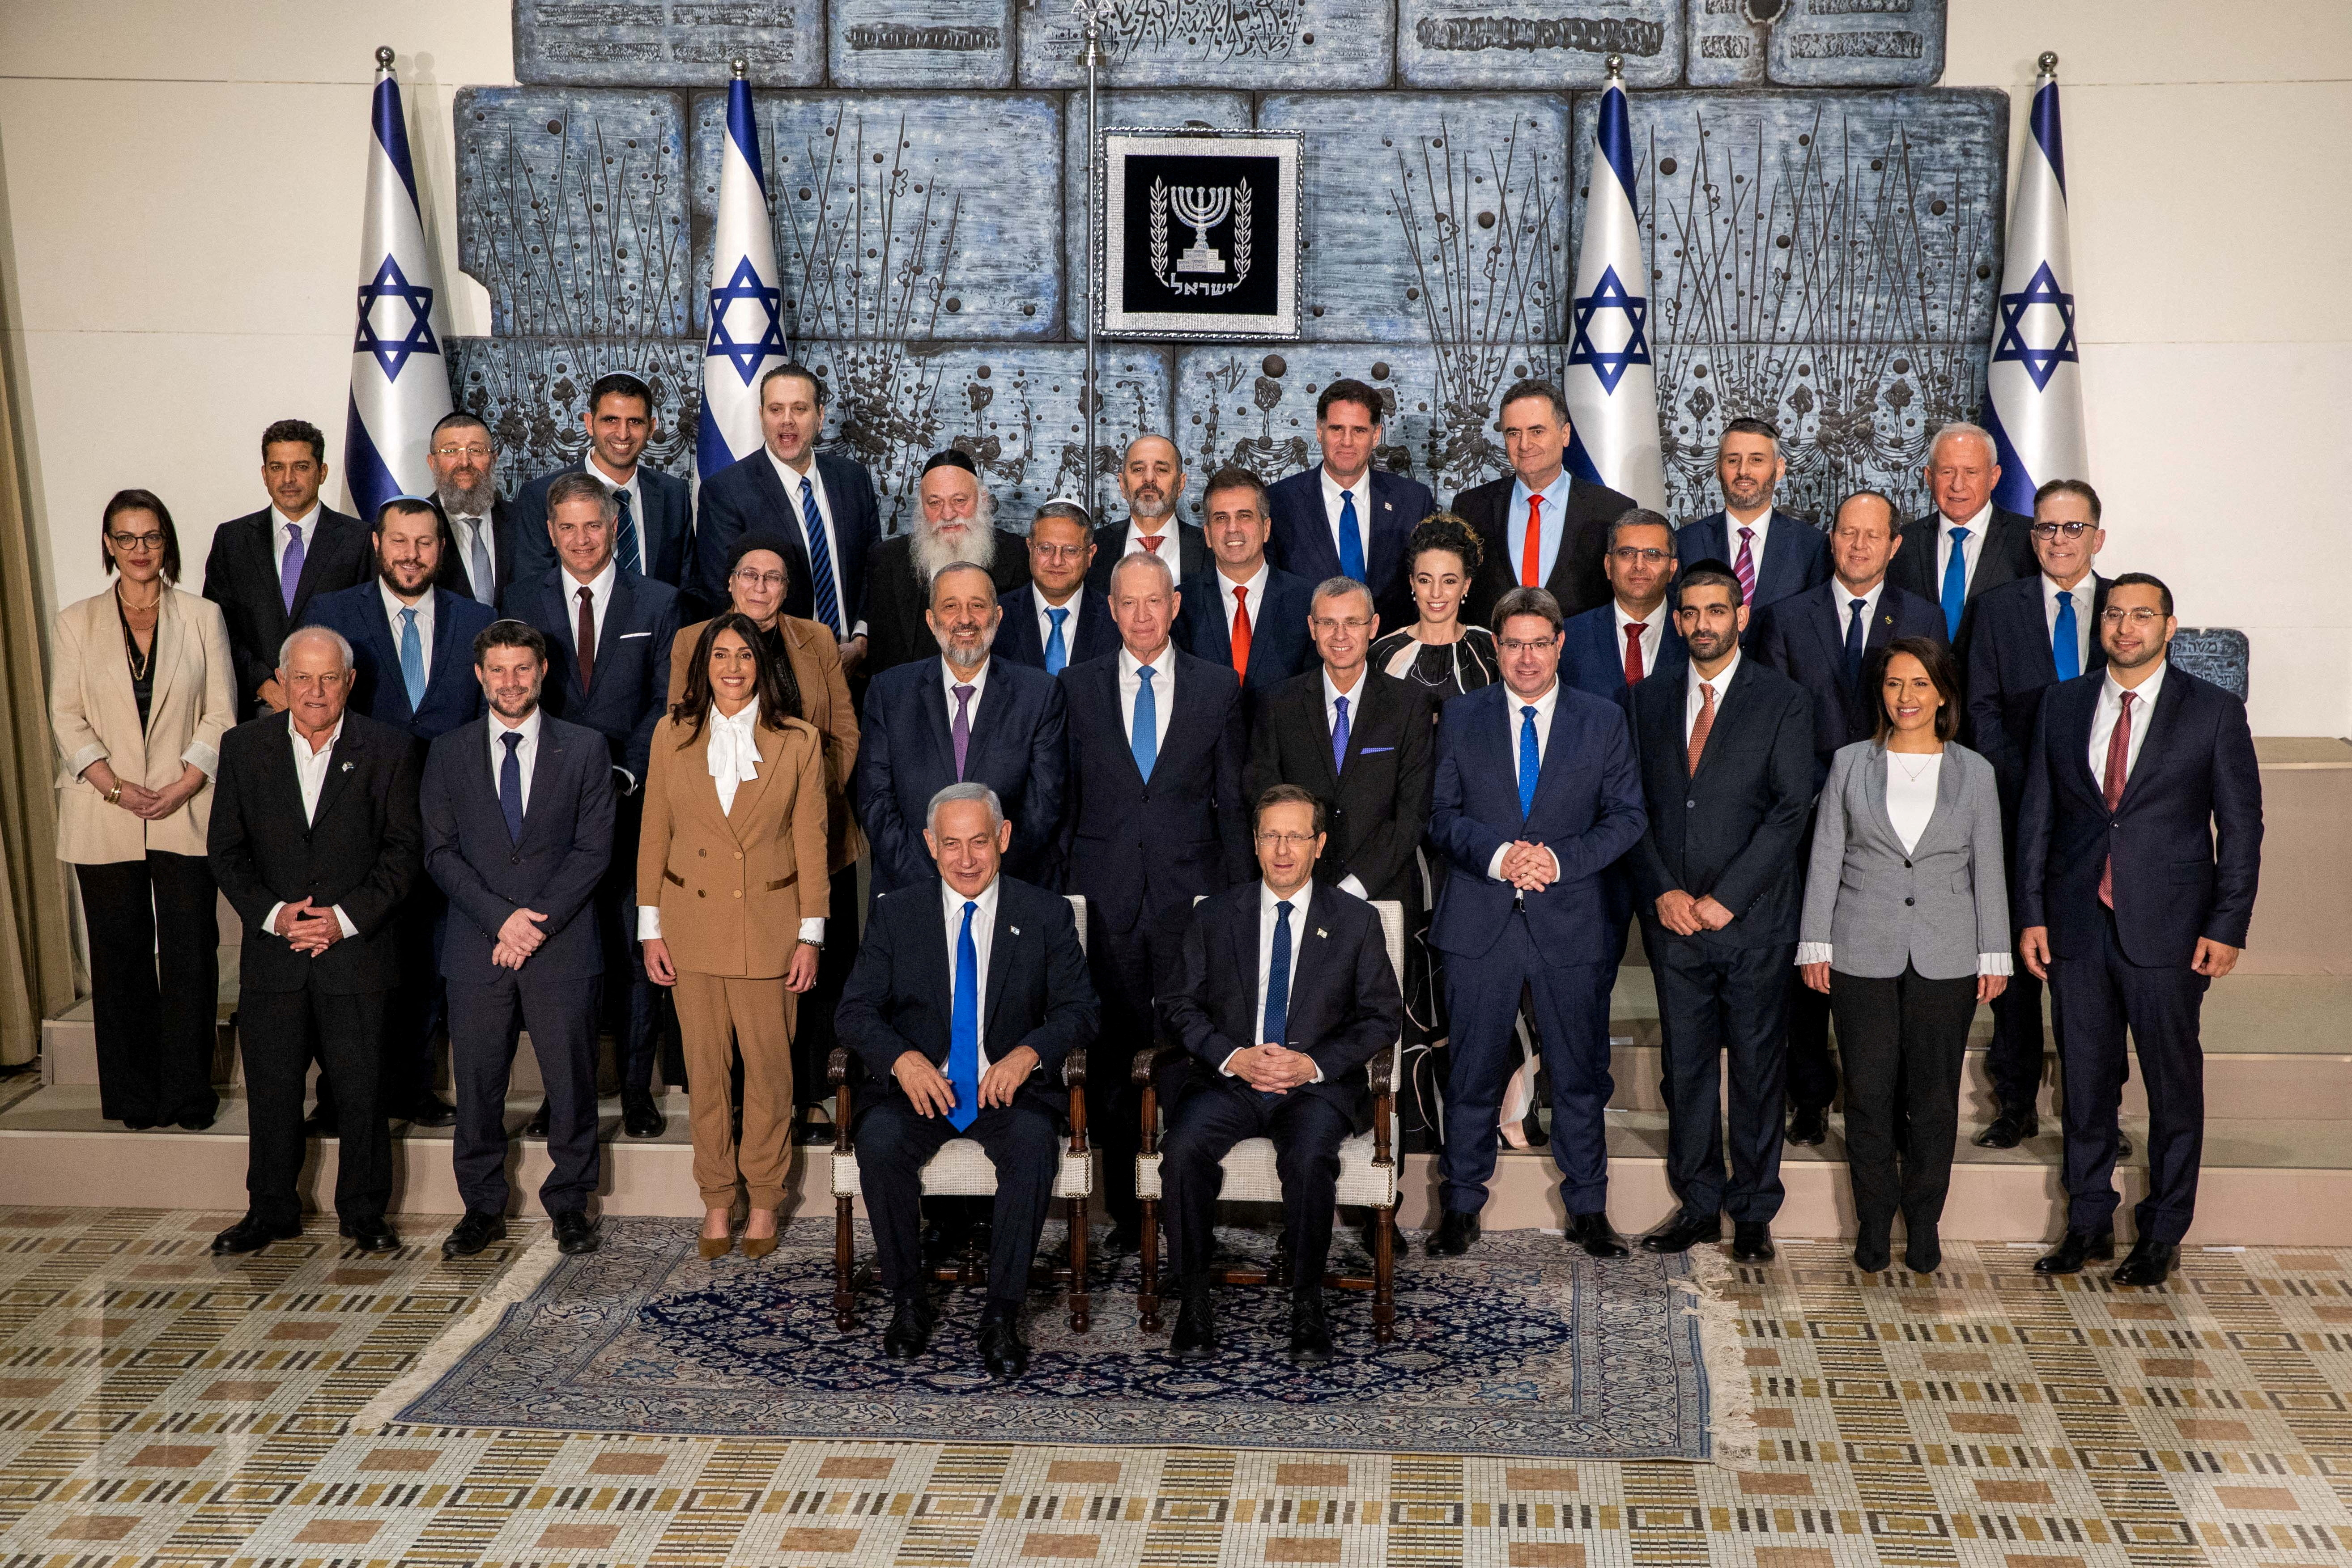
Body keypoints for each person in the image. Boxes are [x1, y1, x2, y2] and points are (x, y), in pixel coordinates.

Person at [2019, 574, 2262, 1289]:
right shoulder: (2062, 704)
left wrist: (2228, 923)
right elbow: (2037, 816)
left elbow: (2241, 828)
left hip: (2171, 929)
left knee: (2171, 1086)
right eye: (2115, 614)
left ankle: (2162, 1232)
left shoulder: (2212, 711)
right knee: (2085, 1084)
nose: (2126, 627)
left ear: (2168, 626)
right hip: (2075, 925)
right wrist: (2031, 913)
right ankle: (2088, 1222)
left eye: (2142, 615)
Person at [836, 783, 1098, 1380]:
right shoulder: (897, 912)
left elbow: (1081, 1010)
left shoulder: (1044, 912)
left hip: (1006, 1090)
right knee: (879, 1142)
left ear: (1003, 838)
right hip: (921, 1087)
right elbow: (854, 1011)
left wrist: (1028, 1054)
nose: (966, 859)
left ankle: (1002, 1312)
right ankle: (908, 1300)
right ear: (930, 844)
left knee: (1032, 1146)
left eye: (979, 841)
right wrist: (902, 1060)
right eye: (951, 844)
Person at [1425, 586, 1646, 1258]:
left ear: (1560, 646)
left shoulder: (1601, 719)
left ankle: (1589, 1209)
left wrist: (1555, 860)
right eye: (1514, 645)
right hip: (1480, 919)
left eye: (1539, 644)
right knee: (1471, 1073)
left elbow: (1627, 817)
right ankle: (1460, 1205)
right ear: (1496, 648)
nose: (1527, 658)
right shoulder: (1461, 716)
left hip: (1570, 919)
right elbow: (1440, 816)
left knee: (1578, 1075)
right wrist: (1499, 857)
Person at [1157, 784, 1404, 1363]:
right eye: (1271, 835)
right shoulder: (1216, 914)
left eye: (1296, 836)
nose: (1283, 849)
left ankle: (1307, 1303)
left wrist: (1313, 1064)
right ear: (1255, 842)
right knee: (1183, 1151)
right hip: (1230, 1081)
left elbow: (1382, 1016)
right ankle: (1193, 1300)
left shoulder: (1356, 920)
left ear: (1319, 843)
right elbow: (1177, 1004)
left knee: (1310, 1157)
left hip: (1312, 1087)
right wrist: (1231, 1056)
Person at [1059, 550, 1254, 1247]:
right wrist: (1062, 897)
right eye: (1128, 603)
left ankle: (1181, 1204)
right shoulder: (1075, 687)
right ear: (1111, 610)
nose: (1142, 615)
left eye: (1154, 601)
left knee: (1185, 1051)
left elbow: (1232, 804)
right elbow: (1064, 802)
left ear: (1174, 606)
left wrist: (1237, 903)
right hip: (1104, 895)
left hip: (1191, 899)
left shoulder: (1217, 686)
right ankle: (1123, 1210)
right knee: (1112, 1053)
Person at [205, 626, 419, 1256]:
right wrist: (275, 916)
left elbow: (404, 853)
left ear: (349, 682)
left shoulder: (390, 749)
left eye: (329, 678)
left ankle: (365, 1212)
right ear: (283, 681)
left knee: (362, 1093)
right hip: (275, 958)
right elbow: (226, 850)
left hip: (357, 956)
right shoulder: (243, 747)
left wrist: (343, 919)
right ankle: (270, 1209)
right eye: (303, 677)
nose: (316, 691)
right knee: (271, 1093)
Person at [1799, 639, 2011, 1274]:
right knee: (1866, 1093)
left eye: (1920, 683)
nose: (1906, 696)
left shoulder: (1975, 771)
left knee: (1934, 1099)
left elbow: (1988, 866)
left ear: (1943, 693)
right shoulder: (1849, 763)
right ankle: (1873, 1222)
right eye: (1894, 684)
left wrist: (1995, 952)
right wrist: (1814, 941)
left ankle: (1923, 1223)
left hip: (1948, 954)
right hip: (1860, 948)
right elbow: (1826, 856)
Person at [1626, 563, 1815, 1262]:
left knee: (1759, 1070)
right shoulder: (1644, 700)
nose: (1701, 623)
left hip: (1753, 921)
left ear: (1740, 615)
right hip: (1674, 923)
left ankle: (1754, 1211)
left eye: (1715, 610)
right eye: (1689, 612)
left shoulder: (1783, 700)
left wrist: (1726, 898)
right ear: (1676, 621)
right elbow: (1629, 806)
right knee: (1687, 1069)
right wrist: (1663, 891)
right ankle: (1699, 1204)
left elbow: (1790, 809)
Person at [1754, 491, 1946, 1143]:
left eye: (1872, 535)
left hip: (1896, 824)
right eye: (1847, 533)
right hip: (1806, 816)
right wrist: (1825, 792)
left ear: (1894, 545)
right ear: (1830, 539)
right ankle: (1809, 1095)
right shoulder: (1785, 617)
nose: (1858, 546)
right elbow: (1773, 725)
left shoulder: (1922, 615)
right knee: (1808, 962)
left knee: (1890, 965)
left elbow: (1929, 715)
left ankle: (1893, 1102)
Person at [639, 613, 831, 1259]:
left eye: (744, 655)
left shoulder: (798, 740)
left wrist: (810, 936)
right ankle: (718, 1199)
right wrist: (650, 929)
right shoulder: (671, 733)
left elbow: (811, 842)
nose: (732, 667)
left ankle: (767, 1197)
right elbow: (654, 833)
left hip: (769, 930)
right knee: (706, 1074)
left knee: (770, 1074)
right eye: (720, 655)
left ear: (761, 665)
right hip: (689, 928)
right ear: (703, 665)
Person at [420, 620, 613, 1259]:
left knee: (572, 1082)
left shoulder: (584, 748)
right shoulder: (447, 751)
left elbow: (593, 851)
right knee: (478, 1086)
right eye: (498, 670)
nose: (510, 681)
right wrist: (501, 920)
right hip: (478, 945)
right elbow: (439, 852)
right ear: (480, 676)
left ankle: (571, 1205)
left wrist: (534, 925)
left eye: (522, 668)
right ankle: (481, 1208)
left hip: (563, 945)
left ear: (543, 671)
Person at [302, 497, 496, 1129]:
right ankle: (341, 1093)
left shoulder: (477, 618)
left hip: (446, 821)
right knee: (354, 960)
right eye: (399, 542)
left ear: (441, 549)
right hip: (357, 816)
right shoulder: (334, 613)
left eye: (425, 543)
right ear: (377, 545)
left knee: (429, 960)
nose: (411, 555)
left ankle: (414, 1087)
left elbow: (483, 722)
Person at [50, 490, 235, 1131]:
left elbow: (221, 711)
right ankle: (134, 1096)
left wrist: (186, 783)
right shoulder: (75, 622)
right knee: (119, 956)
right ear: (108, 544)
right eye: (126, 538)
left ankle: (188, 1095)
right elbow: (65, 717)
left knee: (191, 952)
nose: (139, 549)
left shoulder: (204, 616)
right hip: (104, 810)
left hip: (185, 805)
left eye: (151, 537)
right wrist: (114, 787)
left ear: (166, 542)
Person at [503, 471, 681, 1139]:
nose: (582, 539)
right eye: (568, 528)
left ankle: (636, 1092)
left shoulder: (659, 601)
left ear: (615, 528)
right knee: (562, 960)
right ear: (551, 534)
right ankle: (564, 1094)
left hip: (635, 806)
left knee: (635, 952)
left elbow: (666, 702)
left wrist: (625, 771)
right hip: (548, 811)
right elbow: (516, 696)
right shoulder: (520, 599)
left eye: (593, 526)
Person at [669, 534, 865, 1118]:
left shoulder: (817, 639)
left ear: (788, 587)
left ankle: (808, 1097)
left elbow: (844, 731)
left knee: (810, 973)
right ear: (729, 582)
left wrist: (805, 803)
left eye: (773, 577)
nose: (760, 586)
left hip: (813, 838)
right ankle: (729, 1105)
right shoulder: (693, 641)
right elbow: (682, 733)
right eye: (749, 575)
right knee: (728, 979)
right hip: (723, 846)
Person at [1964, 478, 2110, 1147]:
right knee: (2018, 973)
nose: (2059, 539)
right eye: (2048, 527)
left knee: (2095, 981)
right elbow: (1981, 710)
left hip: (2102, 823)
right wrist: (2032, 789)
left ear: (2097, 537)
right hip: (2017, 811)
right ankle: (2015, 1104)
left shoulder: (2124, 606)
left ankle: (2096, 1112)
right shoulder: (1997, 609)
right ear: (2033, 537)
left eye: (2073, 528)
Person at [858, 562, 1067, 894]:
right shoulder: (889, 693)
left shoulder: (1039, 695)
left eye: (977, 606)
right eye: (951, 606)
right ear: (932, 620)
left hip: (1007, 891)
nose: (965, 619)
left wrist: (982, 877)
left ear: (997, 616)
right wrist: (935, 887)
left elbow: (1043, 807)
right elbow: (876, 802)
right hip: (910, 891)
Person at [1246, 578, 1433, 915]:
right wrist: (1304, 881)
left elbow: (1412, 814)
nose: (1340, 635)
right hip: (1298, 892)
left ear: (1373, 626)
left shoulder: (1409, 705)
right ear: (1312, 628)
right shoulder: (1278, 704)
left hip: (1382, 893)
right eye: (1328, 623)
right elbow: (1265, 800)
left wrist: (1353, 887)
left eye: (1352, 623)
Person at [692, 363, 880, 663]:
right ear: (761, 416)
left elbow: (875, 570)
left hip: (857, 666)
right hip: (774, 668)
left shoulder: (853, 480)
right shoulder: (726, 491)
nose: (787, 420)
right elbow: (724, 594)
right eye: (776, 409)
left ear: (820, 417)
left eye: (800, 409)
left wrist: (862, 640)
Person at [202, 418, 370, 718]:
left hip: (334, 714)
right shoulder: (232, 540)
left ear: (322, 472)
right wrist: (264, 684)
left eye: (301, 467)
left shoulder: (359, 540)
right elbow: (217, 628)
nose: (288, 479)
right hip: (254, 713)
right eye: (277, 467)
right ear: (264, 474)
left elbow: (367, 630)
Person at [1454, 379, 1636, 629]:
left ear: (1565, 434)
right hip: (1491, 651)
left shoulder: (1613, 511)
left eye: (1537, 432)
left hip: (1580, 651)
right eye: (1513, 433)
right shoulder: (1470, 509)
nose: (1524, 445)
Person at [1265, 379, 1435, 632]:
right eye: (1337, 429)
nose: (1347, 441)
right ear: (1320, 431)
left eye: (1359, 431)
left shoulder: (1413, 501)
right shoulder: (1279, 502)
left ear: (1376, 435)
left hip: (1393, 652)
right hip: (1307, 654)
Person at [511, 371, 695, 599]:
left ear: (651, 428)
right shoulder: (541, 495)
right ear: (590, 424)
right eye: (611, 420)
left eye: (635, 422)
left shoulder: (673, 493)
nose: (623, 434)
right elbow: (533, 592)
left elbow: (688, 588)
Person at [862, 450, 1029, 681]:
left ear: (983, 499)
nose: (948, 514)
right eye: (935, 503)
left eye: (959, 501)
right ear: (921, 507)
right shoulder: (887, 560)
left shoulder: (1018, 555)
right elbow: (882, 660)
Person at [1886, 422, 2036, 652]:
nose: (1958, 485)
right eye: (1947, 472)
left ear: (1994, 477)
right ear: (1929, 477)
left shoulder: (2031, 540)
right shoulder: (1901, 545)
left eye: (1971, 472)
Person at [1674, 418, 1830, 634]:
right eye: (1733, 460)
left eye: (1756, 460)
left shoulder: (1813, 546)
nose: (1743, 471)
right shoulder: (1684, 543)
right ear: (1718, 468)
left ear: (1779, 468)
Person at [1172, 467, 1315, 700]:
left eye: (1244, 516)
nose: (1232, 528)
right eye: (1221, 518)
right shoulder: (1181, 606)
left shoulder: (1306, 601)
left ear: (1266, 529)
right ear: (1207, 535)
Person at [1560, 510, 1689, 700]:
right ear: (1608, 565)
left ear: (1672, 568)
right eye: (1627, 553)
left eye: (1653, 554)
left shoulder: (1693, 633)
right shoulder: (1570, 637)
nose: (1639, 565)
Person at [1369, 513, 1500, 699]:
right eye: (1425, 580)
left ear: (1466, 585)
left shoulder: (1491, 649)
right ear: (1412, 583)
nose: (1436, 593)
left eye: (1449, 581)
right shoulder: (1383, 653)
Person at [996, 499, 1119, 675]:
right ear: (1030, 548)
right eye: (1046, 549)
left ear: (1090, 555)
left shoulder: (1115, 619)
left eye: (1071, 550)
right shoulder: (997, 617)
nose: (1057, 561)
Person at [1085, 434, 1209, 592]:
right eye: (1138, 469)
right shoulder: (1093, 549)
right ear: (1122, 484)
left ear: (1180, 484)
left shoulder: (1210, 548)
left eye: (1161, 470)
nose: (1149, 478)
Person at [424, 411, 522, 609]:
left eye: (476, 451)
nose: (464, 463)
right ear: (432, 463)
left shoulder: (523, 521)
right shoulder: (416, 527)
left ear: (494, 459)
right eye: (451, 451)